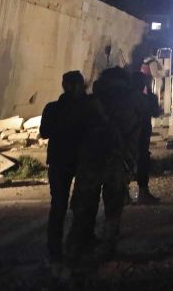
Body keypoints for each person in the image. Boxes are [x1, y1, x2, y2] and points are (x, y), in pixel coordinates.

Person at [67, 67, 143, 261]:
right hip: (115, 163)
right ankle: (107, 249)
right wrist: (131, 163)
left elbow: (75, 133)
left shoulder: (90, 103)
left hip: (90, 162)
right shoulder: (129, 103)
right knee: (113, 209)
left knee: (84, 206)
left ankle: (78, 248)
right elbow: (135, 135)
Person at [39, 71, 101, 270]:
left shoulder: (53, 108)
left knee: (61, 206)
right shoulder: (88, 106)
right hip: (78, 161)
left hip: (62, 161)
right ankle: (78, 244)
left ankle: (57, 250)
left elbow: (44, 132)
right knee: (82, 203)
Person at [133, 72, 162, 204]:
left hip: (131, 136)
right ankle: (142, 193)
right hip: (140, 135)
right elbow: (155, 112)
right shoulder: (143, 99)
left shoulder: (128, 98)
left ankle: (125, 194)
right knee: (142, 160)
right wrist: (151, 98)